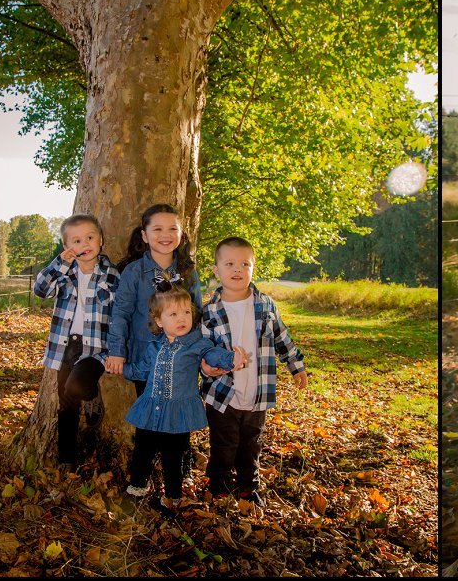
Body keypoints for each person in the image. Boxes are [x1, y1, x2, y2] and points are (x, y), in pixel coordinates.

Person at [198, 237, 309, 506]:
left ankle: (249, 487)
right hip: (222, 393)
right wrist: (205, 366)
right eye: (230, 264)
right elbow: (202, 347)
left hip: (258, 392)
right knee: (223, 445)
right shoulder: (210, 310)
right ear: (217, 271)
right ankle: (219, 486)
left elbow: (283, 338)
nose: (237, 269)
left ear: (253, 268)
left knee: (251, 444)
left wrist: (296, 367)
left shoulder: (266, 305)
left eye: (245, 264)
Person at [123, 280, 245, 515]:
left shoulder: (197, 344)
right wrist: (118, 368)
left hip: (178, 414)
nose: (182, 319)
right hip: (150, 409)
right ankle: (136, 488)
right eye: (173, 314)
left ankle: (172, 498)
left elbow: (213, 354)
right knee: (142, 450)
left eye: (186, 312)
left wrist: (231, 360)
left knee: (173, 456)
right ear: (159, 320)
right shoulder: (153, 347)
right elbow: (139, 370)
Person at [106, 204, 204, 491]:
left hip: (183, 362)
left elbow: (197, 314)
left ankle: (177, 477)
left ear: (182, 234)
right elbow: (121, 314)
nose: (165, 235)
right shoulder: (134, 272)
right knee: (149, 422)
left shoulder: (187, 272)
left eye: (172, 228)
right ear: (144, 235)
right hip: (145, 359)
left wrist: (201, 354)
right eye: (157, 229)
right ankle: (140, 480)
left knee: (179, 421)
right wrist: (116, 351)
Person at [32, 214, 121, 474]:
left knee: (77, 386)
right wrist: (60, 263)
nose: (85, 244)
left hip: (95, 347)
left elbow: (120, 310)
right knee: (66, 404)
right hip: (65, 345)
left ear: (101, 241)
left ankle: (92, 396)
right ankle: (67, 459)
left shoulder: (111, 273)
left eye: (90, 237)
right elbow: (40, 290)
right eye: (77, 240)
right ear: (67, 246)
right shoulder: (64, 273)